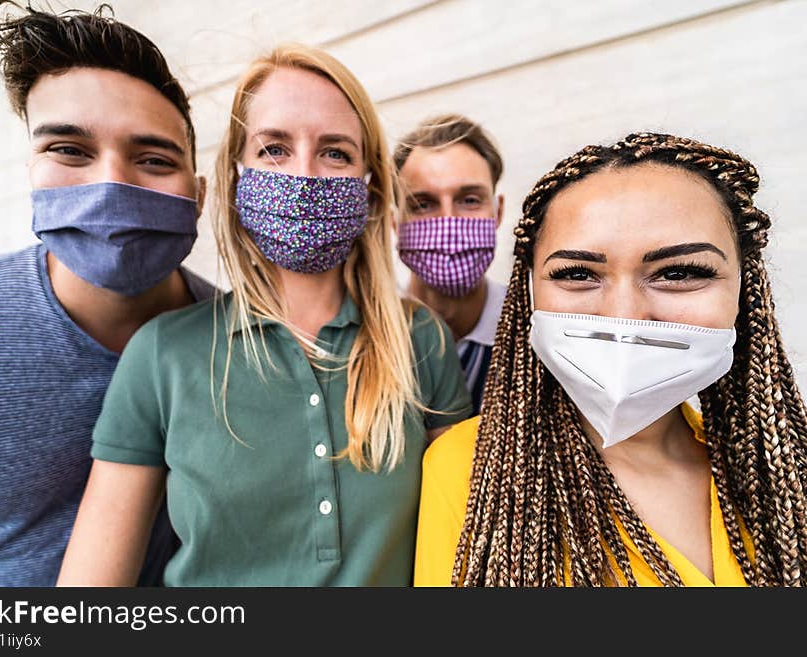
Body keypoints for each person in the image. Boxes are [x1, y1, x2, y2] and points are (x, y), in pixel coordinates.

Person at [57, 43, 472, 587]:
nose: (304, 174)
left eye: (336, 153)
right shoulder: (162, 353)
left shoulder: (421, 341)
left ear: (369, 187)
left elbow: (470, 546)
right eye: (274, 149)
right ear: (236, 176)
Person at [415, 132, 807, 587]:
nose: (624, 314)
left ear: (744, 291)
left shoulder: (787, 478)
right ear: (529, 294)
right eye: (577, 273)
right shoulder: (467, 473)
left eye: (679, 272)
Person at [0, 1, 212, 586]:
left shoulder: (245, 344)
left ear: (199, 195)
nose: (111, 184)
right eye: (70, 150)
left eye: (153, 159)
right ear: (30, 168)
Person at [394, 114, 506, 414]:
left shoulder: (535, 329)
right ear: (395, 222)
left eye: (469, 200)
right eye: (422, 204)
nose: (448, 223)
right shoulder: (370, 338)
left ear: (497, 212)